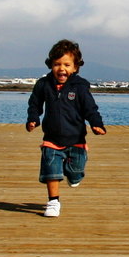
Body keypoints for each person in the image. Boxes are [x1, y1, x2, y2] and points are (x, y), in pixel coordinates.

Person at [25, 39, 106, 217]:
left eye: (67, 65)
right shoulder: (44, 85)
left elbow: (90, 108)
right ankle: (53, 202)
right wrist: (33, 119)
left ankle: (75, 175)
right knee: (51, 170)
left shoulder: (80, 87)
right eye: (57, 64)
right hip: (52, 138)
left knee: (76, 171)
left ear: (75, 67)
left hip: (76, 138)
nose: (61, 68)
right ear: (50, 65)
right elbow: (34, 104)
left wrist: (96, 124)